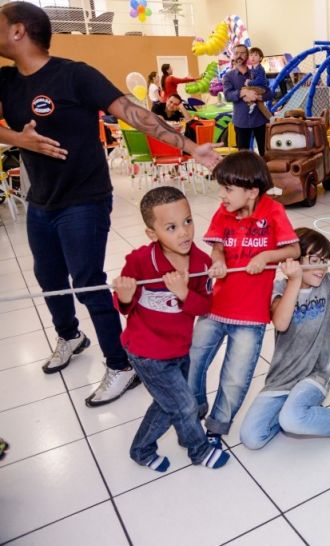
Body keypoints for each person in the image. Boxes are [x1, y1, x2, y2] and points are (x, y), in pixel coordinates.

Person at [0, 2, 220, 407]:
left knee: (87, 282)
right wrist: (19, 140)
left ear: (18, 32)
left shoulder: (75, 75)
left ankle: (120, 365)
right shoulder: (6, 81)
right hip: (41, 201)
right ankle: (70, 336)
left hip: (84, 198)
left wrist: (191, 148)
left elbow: (134, 114)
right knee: (48, 279)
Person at [112, 187, 229, 472]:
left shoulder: (201, 262)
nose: (184, 233)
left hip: (179, 349)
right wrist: (125, 294)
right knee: (185, 405)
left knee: (170, 405)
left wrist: (184, 293)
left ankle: (141, 449)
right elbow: (122, 305)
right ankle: (198, 450)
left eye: (188, 221)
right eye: (171, 227)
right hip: (147, 353)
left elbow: (203, 308)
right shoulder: (139, 260)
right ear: (152, 234)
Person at [188, 151, 300, 447]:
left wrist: (266, 255)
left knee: (235, 377)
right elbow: (217, 247)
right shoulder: (222, 212)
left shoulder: (273, 211)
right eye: (221, 187)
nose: (221, 195)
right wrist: (218, 258)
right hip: (215, 308)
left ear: (252, 191)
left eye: (228, 189)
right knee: (193, 359)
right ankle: (194, 408)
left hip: (250, 316)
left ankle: (216, 426)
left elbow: (294, 251)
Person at [239, 228, 330, 450]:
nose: (322, 268)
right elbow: (281, 322)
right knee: (252, 438)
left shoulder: (329, 284)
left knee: (292, 419)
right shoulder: (278, 288)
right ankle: (296, 412)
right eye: (314, 260)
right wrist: (294, 281)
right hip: (282, 378)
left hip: (316, 373)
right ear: (292, 260)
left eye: (326, 261)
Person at [223, 44, 268, 154]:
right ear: (233, 55)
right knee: (243, 156)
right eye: (237, 53)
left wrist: (259, 96)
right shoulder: (228, 76)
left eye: (243, 53)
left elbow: (268, 92)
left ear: (247, 55)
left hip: (260, 120)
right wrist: (243, 92)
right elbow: (228, 96)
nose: (239, 55)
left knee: (265, 153)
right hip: (241, 121)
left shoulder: (256, 73)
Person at [244, 47, 272, 119]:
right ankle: (271, 118)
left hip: (261, 88)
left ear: (260, 58)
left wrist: (249, 82)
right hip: (257, 88)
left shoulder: (259, 68)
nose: (253, 57)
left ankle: (251, 103)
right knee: (261, 105)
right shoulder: (252, 68)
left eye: (255, 55)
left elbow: (260, 80)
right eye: (251, 55)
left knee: (244, 89)